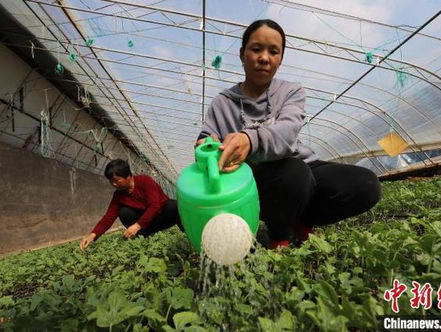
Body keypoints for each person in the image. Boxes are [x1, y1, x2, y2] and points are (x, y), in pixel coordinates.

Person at [196, 19, 381, 249]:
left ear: (280, 59)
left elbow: (287, 133)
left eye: (273, 52)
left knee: (365, 185)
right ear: (242, 53)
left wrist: (249, 139)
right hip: (256, 180)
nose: (264, 57)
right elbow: (206, 137)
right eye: (256, 49)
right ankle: (279, 236)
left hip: (301, 165)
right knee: (294, 174)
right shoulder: (223, 103)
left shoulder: (291, 91)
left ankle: (303, 220)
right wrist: (207, 144)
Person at [80, 159, 181, 249]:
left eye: (117, 180)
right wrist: (93, 234)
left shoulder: (145, 181)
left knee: (174, 205)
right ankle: (142, 239)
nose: (114, 184)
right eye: (111, 181)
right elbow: (108, 217)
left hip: (161, 217)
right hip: (146, 225)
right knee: (124, 212)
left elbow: (155, 206)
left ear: (128, 176)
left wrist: (137, 225)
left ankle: (189, 234)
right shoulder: (118, 195)